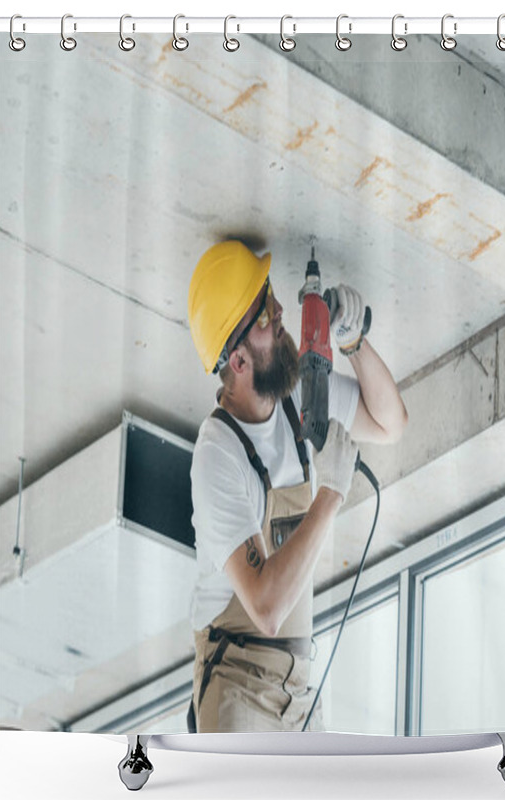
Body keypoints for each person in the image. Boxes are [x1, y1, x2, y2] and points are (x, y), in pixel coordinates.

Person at [185, 240, 407, 733]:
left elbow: (390, 422)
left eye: (269, 295)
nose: (280, 310)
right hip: (237, 687)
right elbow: (264, 607)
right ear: (237, 361)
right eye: (264, 314)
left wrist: (352, 343)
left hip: (298, 695)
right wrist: (329, 496)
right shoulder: (218, 454)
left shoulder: (297, 402)